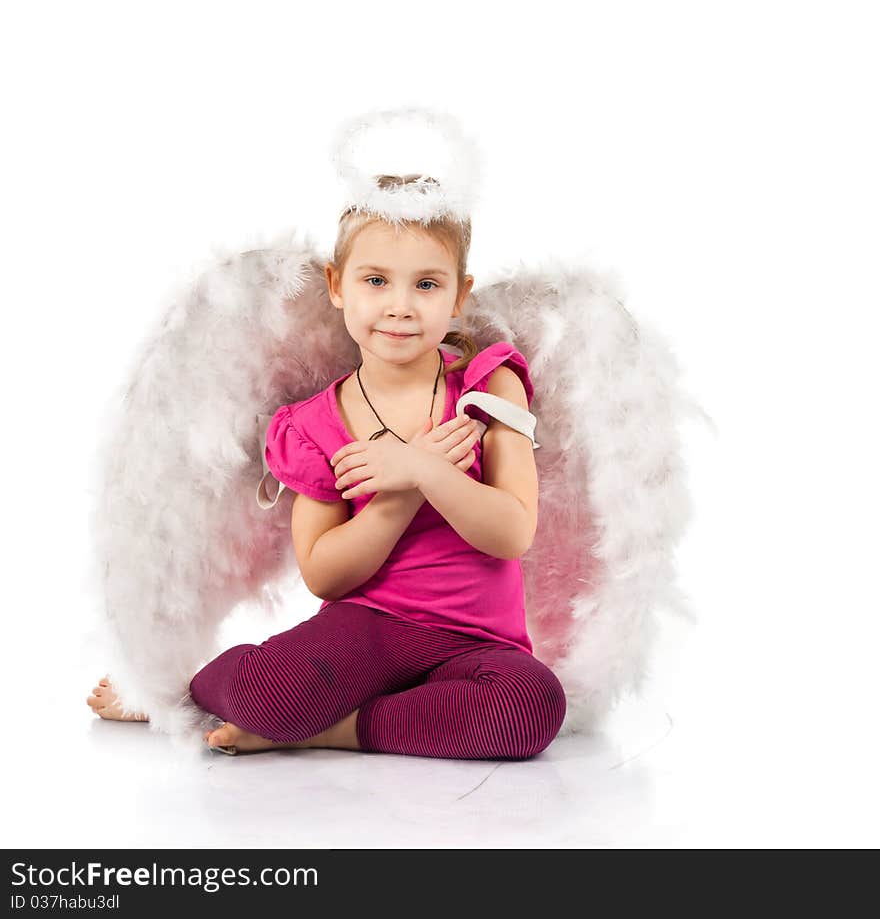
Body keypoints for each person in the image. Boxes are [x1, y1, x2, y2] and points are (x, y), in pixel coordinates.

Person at [88, 159, 567, 760]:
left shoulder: (487, 384)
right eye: (375, 281)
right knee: (270, 695)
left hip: (478, 643)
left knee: (532, 708)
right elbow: (324, 574)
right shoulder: (314, 425)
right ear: (337, 285)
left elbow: (512, 532)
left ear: (458, 296)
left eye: (425, 284)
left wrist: (425, 468)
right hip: (368, 631)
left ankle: (334, 730)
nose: (399, 305)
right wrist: (398, 494)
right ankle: (182, 694)